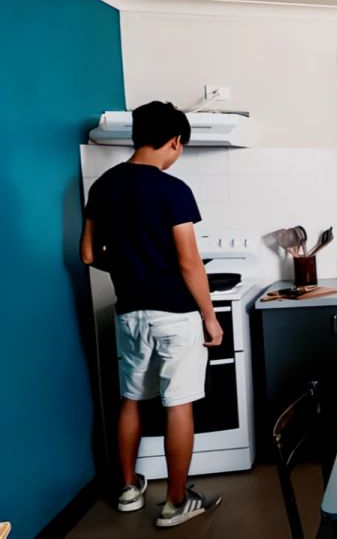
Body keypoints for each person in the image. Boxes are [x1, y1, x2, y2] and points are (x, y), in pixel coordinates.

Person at [80, 101, 222, 528]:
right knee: (178, 404)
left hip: (129, 313)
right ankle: (176, 502)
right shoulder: (172, 189)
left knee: (131, 399)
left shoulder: (103, 185)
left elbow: (88, 254)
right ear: (175, 141)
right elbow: (189, 263)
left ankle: (127, 489)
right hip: (175, 313)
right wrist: (209, 316)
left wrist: (131, 266)